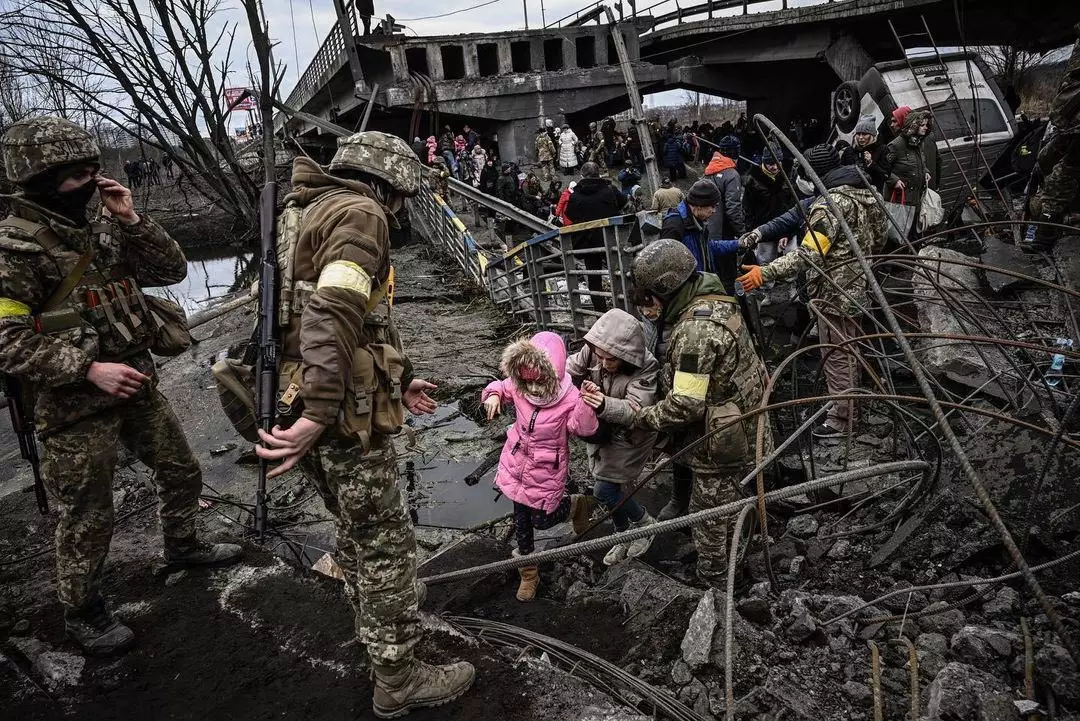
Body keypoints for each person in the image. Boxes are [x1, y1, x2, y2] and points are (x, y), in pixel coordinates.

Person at [0, 116, 243, 655]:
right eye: (75, 175)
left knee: (181, 469)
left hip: (136, 382)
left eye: (93, 171)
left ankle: (183, 545)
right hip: (74, 404)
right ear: (39, 180)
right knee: (88, 511)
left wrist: (131, 218)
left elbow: (172, 270)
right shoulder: (15, 250)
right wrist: (87, 369)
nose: (88, 183)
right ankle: (83, 611)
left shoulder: (100, 227)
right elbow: (7, 338)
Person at [252, 132, 475, 717]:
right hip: (336, 407)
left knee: (354, 528)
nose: (400, 211)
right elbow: (333, 313)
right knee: (385, 541)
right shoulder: (361, 214)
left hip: (303, 391)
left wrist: (400, 380)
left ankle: (375, 624)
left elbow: (341, 318)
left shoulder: (303, 210)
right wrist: (323, 411)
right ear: (392, 185)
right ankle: (399, 677)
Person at [630, 240, 770, 587]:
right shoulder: (716, 297)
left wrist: (640, 419)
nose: (646, 307)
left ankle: (716, 579)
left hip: (722, 439)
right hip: (750, 422)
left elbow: (686, 405)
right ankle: (739, 550)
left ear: (665, 289)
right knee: (736, 496)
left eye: (647, 298)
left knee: (707, 512)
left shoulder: (695, 331)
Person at [737, 143, 888, 438]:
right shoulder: (866, 193)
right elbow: (881, 238)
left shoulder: (828, 207)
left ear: (814, 173)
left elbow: (808, 255)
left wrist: (764, 272)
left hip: (834, 294)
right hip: (859, 288)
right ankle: (851, 408)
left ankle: (841, 422)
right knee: (850, 350)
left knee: (835, 356)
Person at [482, 332, 598, 600]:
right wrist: (494, 394)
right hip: (516, 463)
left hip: (546, 470)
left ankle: (576, 505)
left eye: (539, 382)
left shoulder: (569, 398)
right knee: (521, 520)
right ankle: (529, 572)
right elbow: (501, 385)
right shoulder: (520, 386)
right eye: (527, 382)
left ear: (553, 374)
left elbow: (583, 429)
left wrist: (586, 404)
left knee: (542, 519)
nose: (532, 389)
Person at [566, 309, 660, 566]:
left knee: (604, 488)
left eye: (611, 360)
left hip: (632, 435)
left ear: (626, 355)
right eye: (600, 357)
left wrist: (603, 403)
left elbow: (636, 409)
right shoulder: (593, 350)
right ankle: (622, 532)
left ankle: (645, 524)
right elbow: (566, 369)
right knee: (611, 487)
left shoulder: (647, 365)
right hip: (599, 430)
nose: (603, 363)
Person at [1026, 24, 1080, 253]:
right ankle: (1043, 233)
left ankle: (1043, 233)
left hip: (1067, 137)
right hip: (1068, 138)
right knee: (1056, 179)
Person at [661, 179, 746, 293]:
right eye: (713, 206)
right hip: (691, 292)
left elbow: (708, 247)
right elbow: (668, 266)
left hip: (702, 285)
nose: (715, 211)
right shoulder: (674, 226)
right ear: (699, 206)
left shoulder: (696, 220)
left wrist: (738, 243)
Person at [565, 162, 624, 312]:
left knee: (594, 279)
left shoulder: (576, 195)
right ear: (598, 174)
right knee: (619, 273)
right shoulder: (609, 189)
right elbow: (623, 201)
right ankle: (624, 308)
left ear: (582, 176)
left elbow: (569, 214)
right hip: (611, 239)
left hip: (588, 242)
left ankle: (601, 314)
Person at [884, 109, 940, 239]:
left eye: (927, 125)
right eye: (922, 125)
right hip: (901, 203)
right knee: (898, 236)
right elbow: (883, 168)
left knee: (914, 236)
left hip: (916, 201)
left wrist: (925, 171)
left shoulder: (918, 143)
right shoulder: (896, 145)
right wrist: (894, 180)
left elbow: (920, 162)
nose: (925, 128)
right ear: (913, 125)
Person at [742, 144, 797, 264]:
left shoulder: (789, 175)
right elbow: (748, 209)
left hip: (788, 226)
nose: (775, 167)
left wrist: (789, 231)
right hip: (764, 228)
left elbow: (794, 204)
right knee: (765, 262)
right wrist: (752, 232)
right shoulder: (753, 180)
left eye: (778, 163)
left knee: (791, 260)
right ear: (764, 162)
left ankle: (790, 283)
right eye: (770, 164)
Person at [704, 135, 747, 244]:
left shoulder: (708, 170)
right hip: (723, 234)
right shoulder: (732, 175)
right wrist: (742, 233)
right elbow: (733, 209)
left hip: (706, 230)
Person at [839, 116, 889, 191]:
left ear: (872, 135)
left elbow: (885, 175)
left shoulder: (882, 149)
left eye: (865, 134)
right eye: (858, 134)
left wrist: (871, 164)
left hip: (874, 194)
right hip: (852, 192)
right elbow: (841, 171)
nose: (861, 137)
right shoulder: (849, 151)